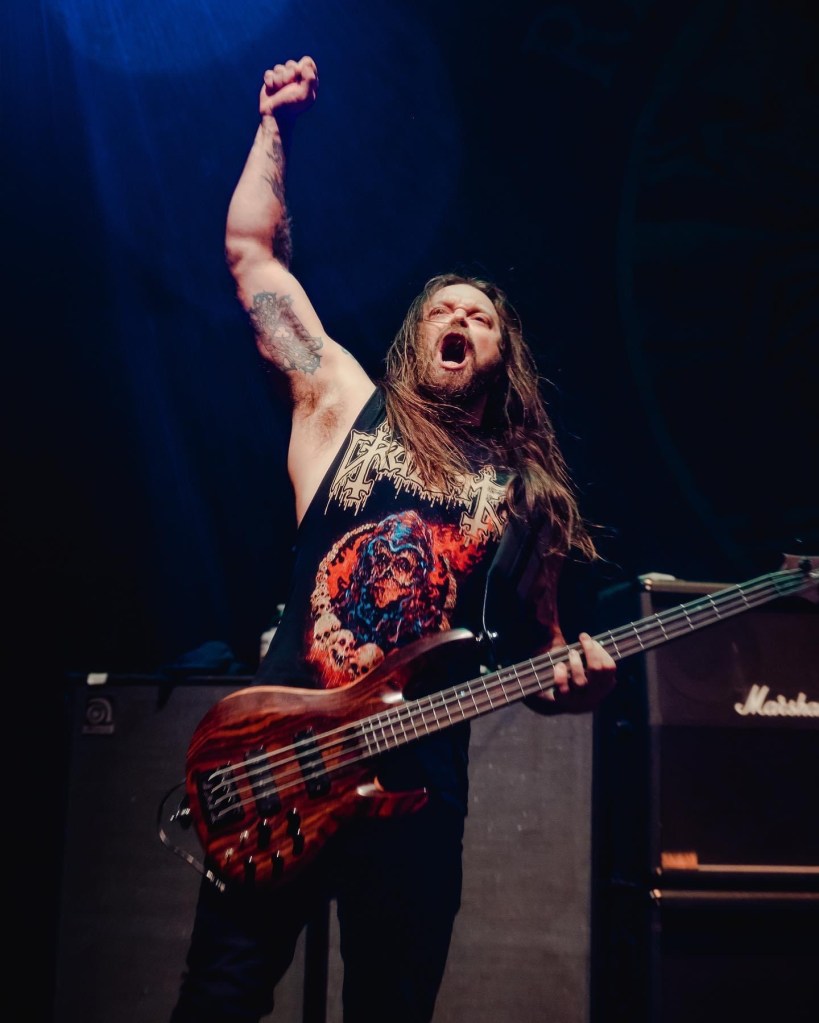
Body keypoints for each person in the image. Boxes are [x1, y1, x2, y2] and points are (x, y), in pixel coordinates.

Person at [170, 55, 617, 1023]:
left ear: (501, 354)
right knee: (219, 998)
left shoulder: (527, 498)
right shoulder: (339, 403)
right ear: (416, 339)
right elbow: (252, 256)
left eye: (480, 317)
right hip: (282, 758)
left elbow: (538, 659)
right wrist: (273, 128)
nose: (460, 318)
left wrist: (578, 683)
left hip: (415, 793)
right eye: (443, 310)